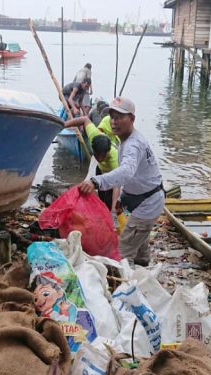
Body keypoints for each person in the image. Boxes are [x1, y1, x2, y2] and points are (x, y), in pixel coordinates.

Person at [78, 97, 164, 266]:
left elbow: (126, 172)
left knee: (122, 253)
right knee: (140, 247)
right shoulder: (124, 138)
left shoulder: (133, 145)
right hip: (143, 198)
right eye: (112, 117)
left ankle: (126, 286)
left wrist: (96, 181)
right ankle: (143, 273)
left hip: (147, 204)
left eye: (120, 117)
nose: (114, 122)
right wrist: (122, 199)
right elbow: (135, 175)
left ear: (132, 119)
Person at [64, 114, 119, 210]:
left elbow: (117, 184)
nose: (100, 158)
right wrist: (63, 125)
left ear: (107, 152)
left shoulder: (114, 158)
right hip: (100, 168)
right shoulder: (93, 135)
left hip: (111, 174)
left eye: (102, 156)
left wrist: (114, 209)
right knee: (99, 194)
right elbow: (84, 119)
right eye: (97, 155)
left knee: (108, 201)